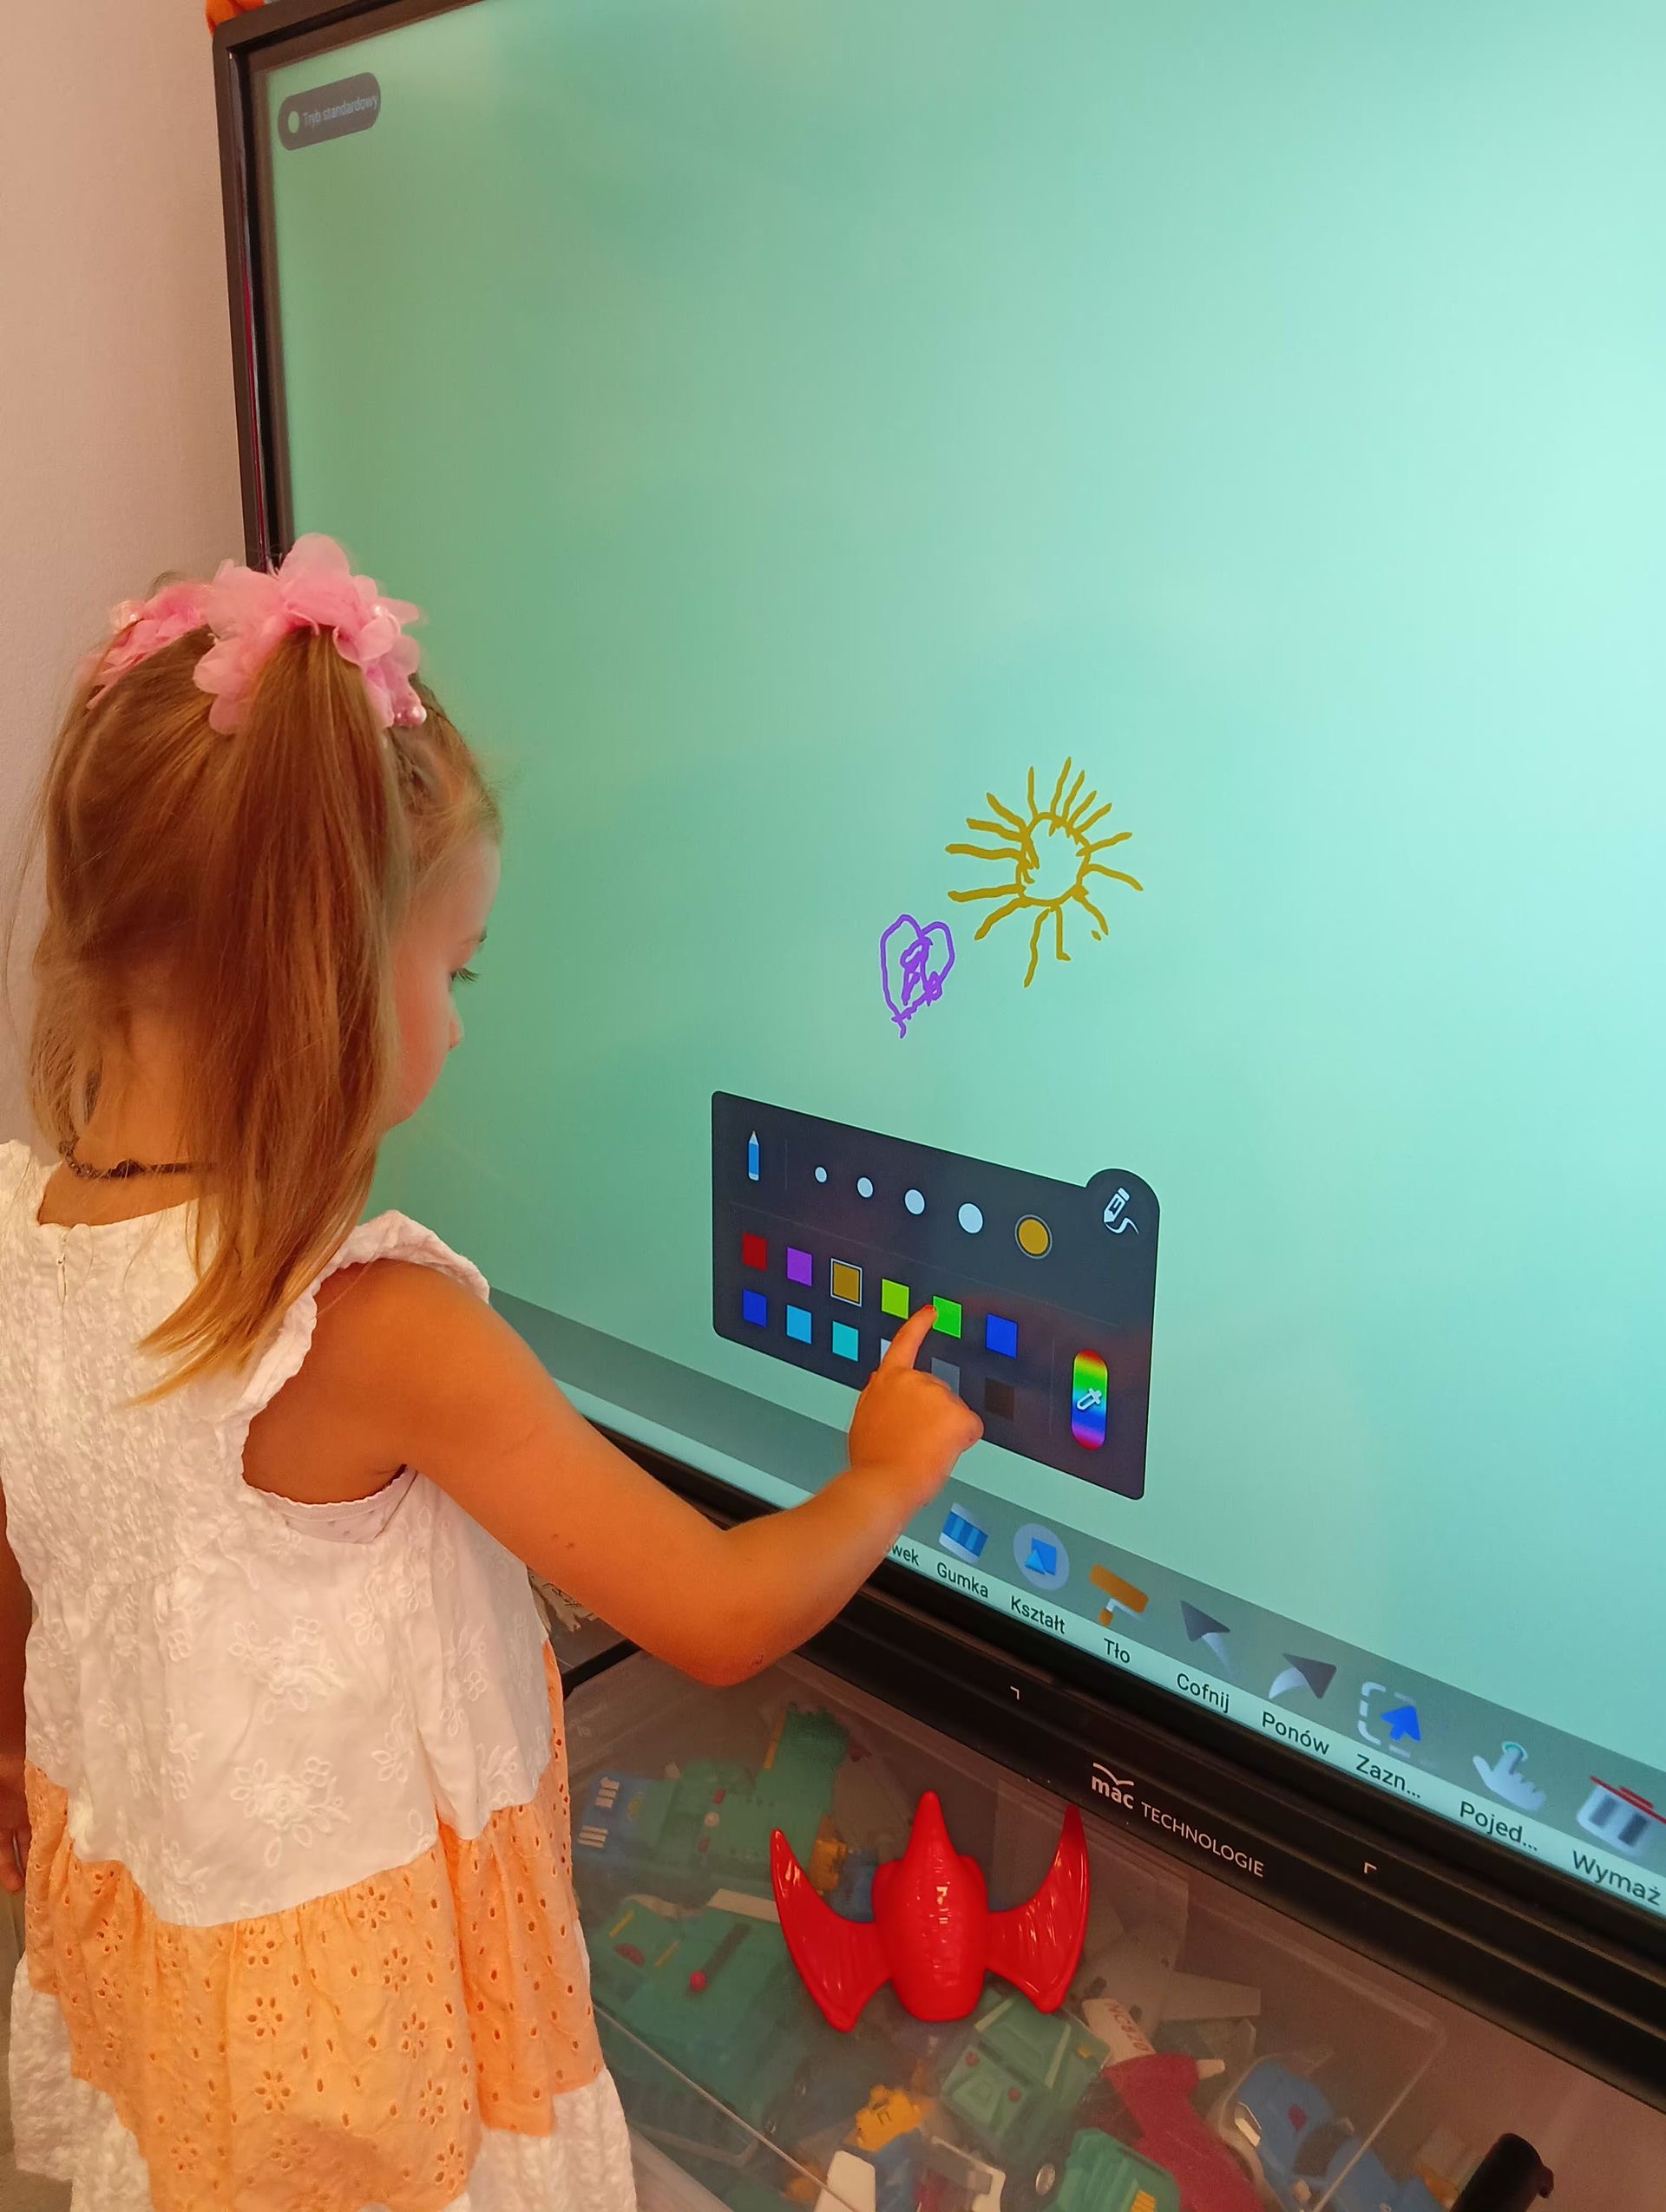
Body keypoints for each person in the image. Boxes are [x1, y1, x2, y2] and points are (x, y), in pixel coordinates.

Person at [0, 536, 980, 2210]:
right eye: (450, 972)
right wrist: (883, 1472)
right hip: (362, 2068)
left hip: (181, 1978)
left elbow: (36, 1559)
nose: (457, 1027)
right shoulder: (371, 1326)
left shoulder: (25, 1237)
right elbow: (717, 1612)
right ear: (314, 979)